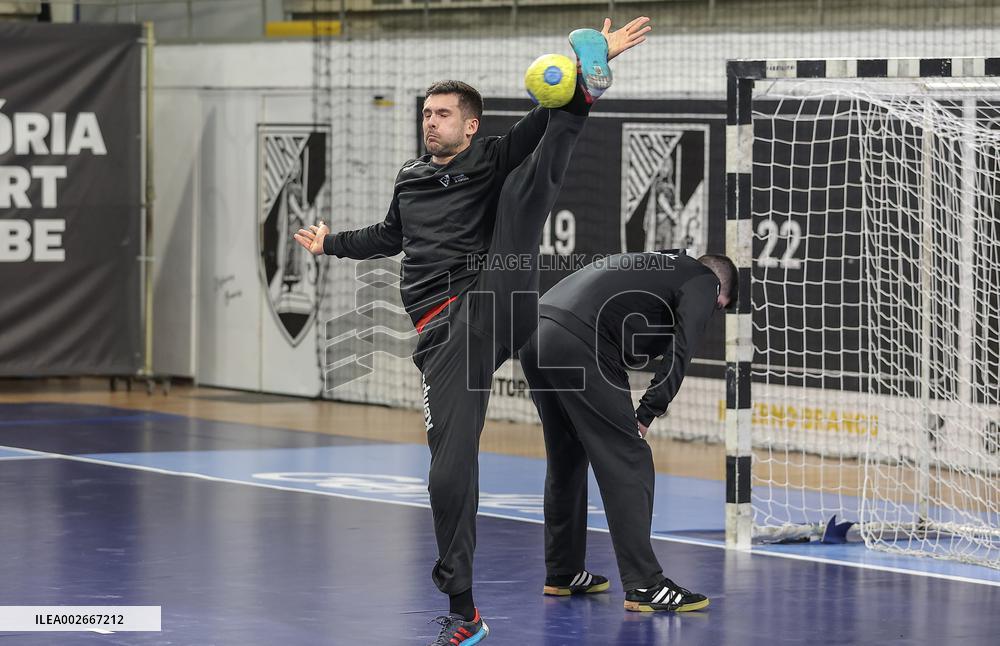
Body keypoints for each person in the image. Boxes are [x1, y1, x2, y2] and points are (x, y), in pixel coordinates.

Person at [292, 18, 652, 644]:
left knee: (521, 196)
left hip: (493, 297)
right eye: (427, 113)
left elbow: (538, 119)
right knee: (447, 468)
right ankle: (465, 612)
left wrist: (574, 76)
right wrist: (331, 245)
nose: (430, 121)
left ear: (470, 124)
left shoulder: (491, 154)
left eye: (443, 114)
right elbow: (389, 236)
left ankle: (587, 96)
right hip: (443, 337)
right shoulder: (409, 177)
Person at [519, 250, 737, 612]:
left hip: (535, 331)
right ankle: (646, 585)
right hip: (580, 340)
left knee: (567, 457)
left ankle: (563, 571)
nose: (711, 314)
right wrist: (648, 410)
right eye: (719, 308)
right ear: (720, 290)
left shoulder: (659, 263)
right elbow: (680, 352)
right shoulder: (704, 279)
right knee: (630, 458)